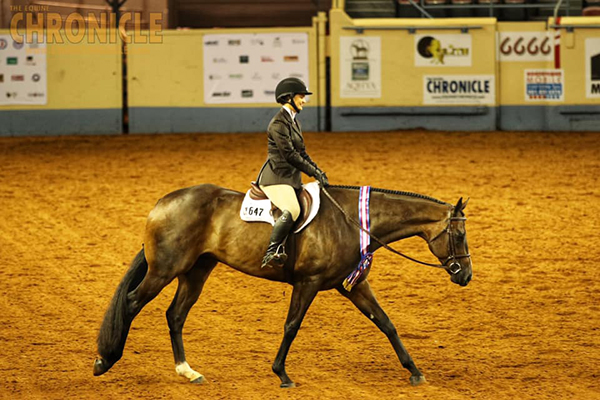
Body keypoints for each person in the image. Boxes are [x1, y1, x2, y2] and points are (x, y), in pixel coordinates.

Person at [256, 77, 329, 269]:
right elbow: (289, 155)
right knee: (293, 210)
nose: (304, 100)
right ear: (288, 98)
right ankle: (272, 251)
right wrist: (312, 171)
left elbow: (302, 153)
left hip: (291, 179)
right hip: (276, 178)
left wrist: (318, 171)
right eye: (301, 96)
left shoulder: (294, 122)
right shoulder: (278, 124)